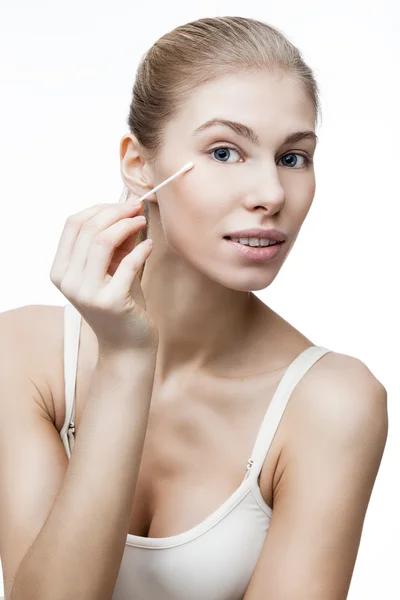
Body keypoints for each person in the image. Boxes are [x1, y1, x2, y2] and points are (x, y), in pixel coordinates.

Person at [0, 15, 388, 600]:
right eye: (225, 152)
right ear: (138, 164)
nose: (271, 195)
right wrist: (128, 360)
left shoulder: (333, 404)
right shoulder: (24, 356)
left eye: (293, 157)